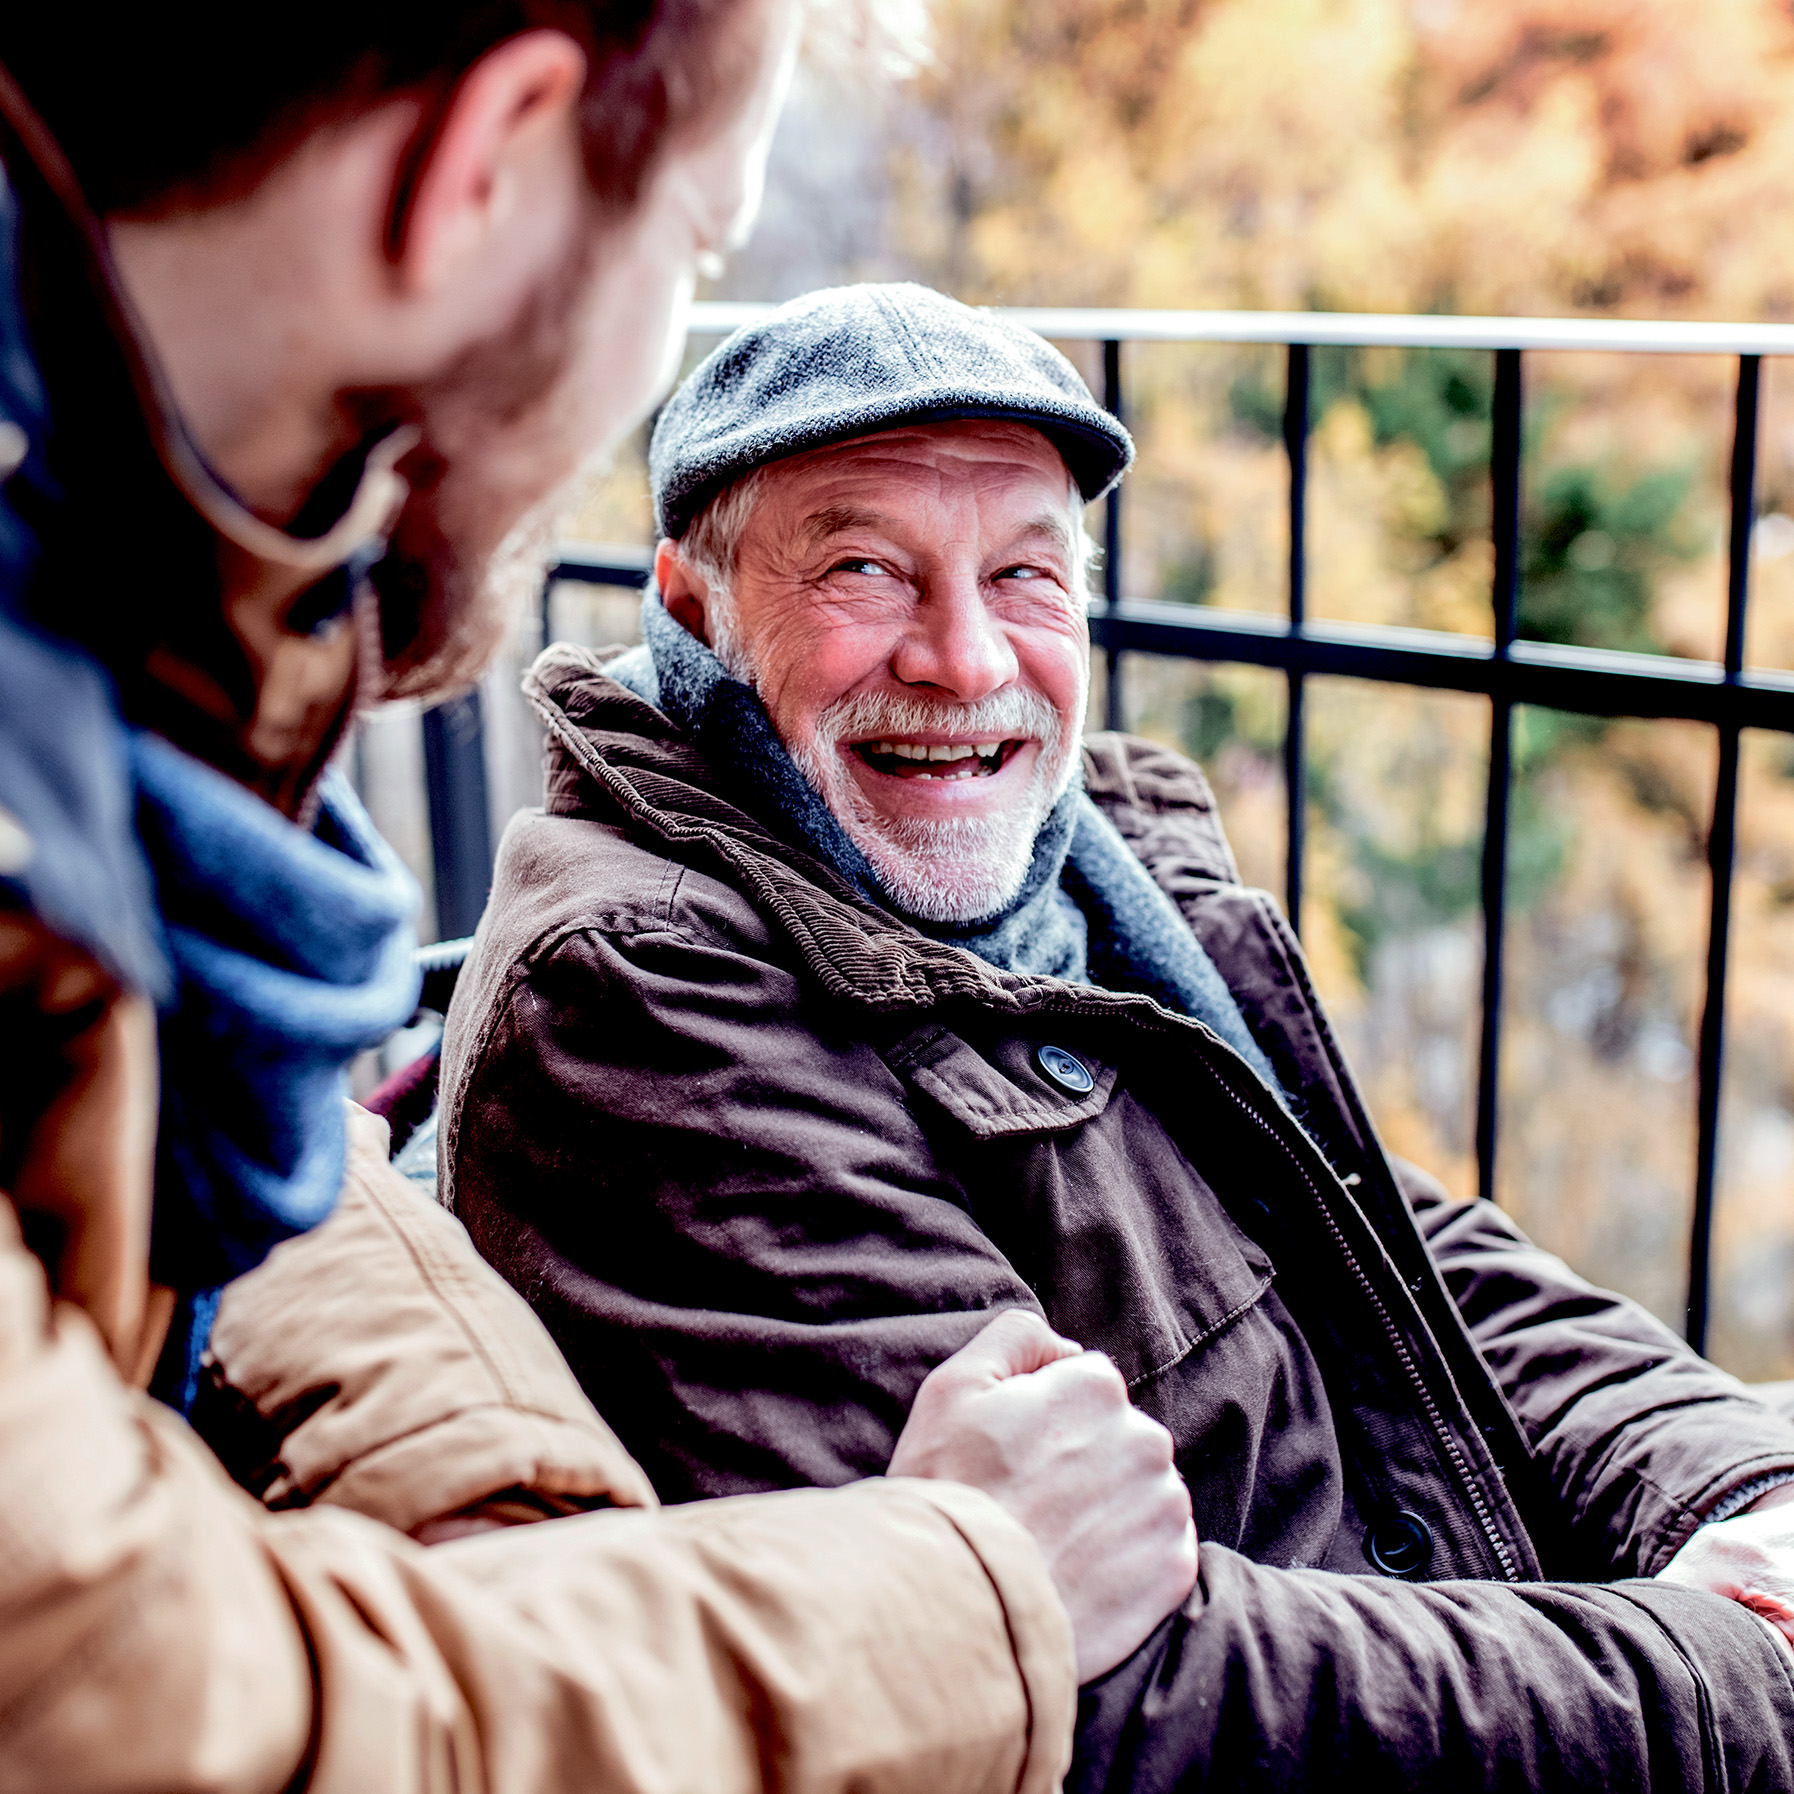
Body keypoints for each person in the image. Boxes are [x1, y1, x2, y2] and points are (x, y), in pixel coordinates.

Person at [0, 15, 1200, 1790]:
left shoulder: (108, 646)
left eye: (1026, 571)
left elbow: (236, 1174)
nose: (961, 653)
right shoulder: (631, 967)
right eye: (696, 242)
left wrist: (508, 1509)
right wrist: (960, 1588)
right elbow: (134, 1703)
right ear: (481, 165)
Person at [444, 279, 1794, 1788]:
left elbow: (1384, 1240)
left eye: (1023, 574)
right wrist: (1722, 1673)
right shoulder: (643, 1001)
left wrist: (1735, 1487)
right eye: (865, 569)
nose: (964, 661)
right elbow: (1090, 1687)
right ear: (690, 606)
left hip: (1472, 1643)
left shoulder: (1090, 856)